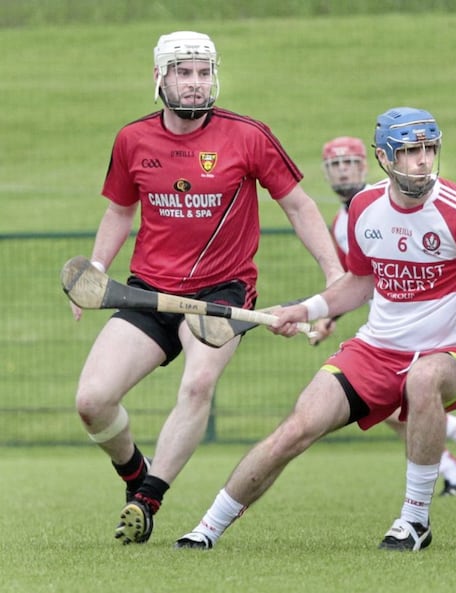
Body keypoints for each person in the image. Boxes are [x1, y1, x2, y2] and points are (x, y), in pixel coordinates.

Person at [173, 107, 456, 551]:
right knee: (298, 427)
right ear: (383, 156)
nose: (422, 161)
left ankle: (414, 522)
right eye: (410, 151)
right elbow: (358, 283)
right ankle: (206, 529)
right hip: (375, 350)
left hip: (449, 353)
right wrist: (306, 308)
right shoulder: (364, 208)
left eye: (429, 149)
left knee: (423, 377)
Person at [71, 31, 343, 545]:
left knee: (197, 383)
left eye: (203, 73)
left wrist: (334, 277)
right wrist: (98, 267)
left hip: (223, 291)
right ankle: (134, 471)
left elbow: (300, 206)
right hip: (149, 292)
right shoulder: (133, 140)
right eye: (183, 72)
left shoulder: (249, 136)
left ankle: (147, 499)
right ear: (160, 78)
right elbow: (119, 210)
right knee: (92, 400)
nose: (195, 84)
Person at [315, 135, 456, 495]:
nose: (343, 172)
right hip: (385, 332)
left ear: (368, 164)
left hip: (424, 331)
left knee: (402, 407)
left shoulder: (390, 198)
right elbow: (355, 282)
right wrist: (325, 317)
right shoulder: (342, 220)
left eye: (350, 163)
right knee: (394, 413)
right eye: (335, 166)